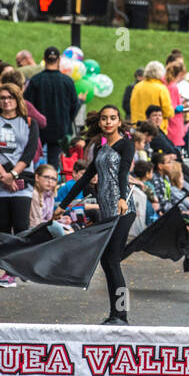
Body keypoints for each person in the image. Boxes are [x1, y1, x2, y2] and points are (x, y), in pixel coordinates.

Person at [55, 105, 133, 324]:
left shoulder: (126, 145)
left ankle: (122, 315)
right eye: (104, 118)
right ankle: (116, 314)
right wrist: (64, 205)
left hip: (123, 209)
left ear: (119, 121)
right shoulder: (100, 150)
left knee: (112, 261)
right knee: (108, 263)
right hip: (106, 210)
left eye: (113, 118)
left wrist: (121, 198)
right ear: (99, 123)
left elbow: (124, 172)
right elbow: (83, 179)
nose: (108, 122)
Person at [0, 83, 37, 255]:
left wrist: (12, 175)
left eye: (10, 97)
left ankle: (18, 266)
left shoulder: (28, 122)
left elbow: (29, 153)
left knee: (21, 227)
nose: (6, 101)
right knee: (2, 229)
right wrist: (4, 176)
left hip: (21, 182)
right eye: (3, 98)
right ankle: (6, 270)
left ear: (17, 99)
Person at [24, 46, 78, 164]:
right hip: (60, 129)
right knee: (53, 163)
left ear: (44, 59)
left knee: (32, 159)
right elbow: (75, 105)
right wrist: (68, 120)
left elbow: (26, 104)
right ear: (59, 60)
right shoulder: (67, 81)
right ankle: (51, 181)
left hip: (39, 129)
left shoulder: (35, 80)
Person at [130, 60, 173, 126]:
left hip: (138, 126)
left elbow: (132, 106)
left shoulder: (137, 87)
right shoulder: (161, 88)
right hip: (155, 128)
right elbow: (167, 112)